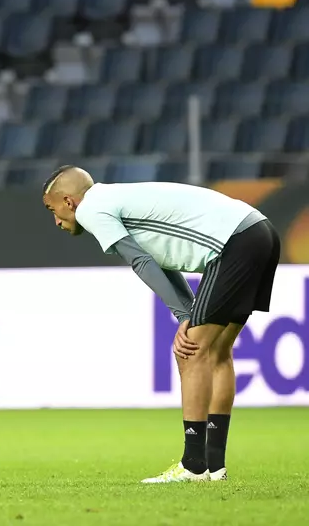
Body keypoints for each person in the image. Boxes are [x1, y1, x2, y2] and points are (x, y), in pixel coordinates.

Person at [41, 166, 280, 483]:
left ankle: (193, 464)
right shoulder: (116, 198)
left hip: (234, 243)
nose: (56, 220)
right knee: (218, 353)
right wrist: (186, 312)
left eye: (52, 209)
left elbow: (141, 262)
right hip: (260, 232)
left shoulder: (91, 209)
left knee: (190, 352)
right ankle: (214, 466)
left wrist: (185, 316)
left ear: (69, 201)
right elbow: (158, 262)